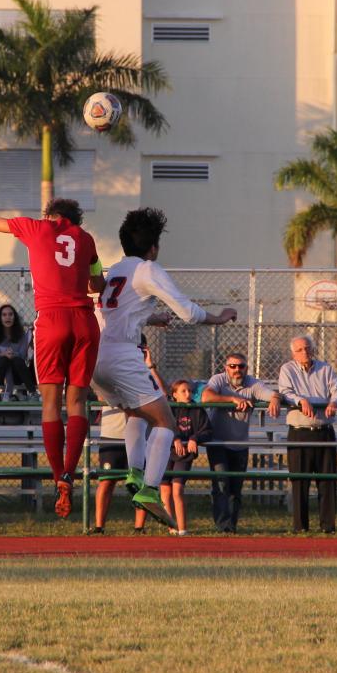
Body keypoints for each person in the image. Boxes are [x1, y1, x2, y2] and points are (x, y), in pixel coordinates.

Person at [92, 207, 236, 526]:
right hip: (122, 356)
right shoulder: (147, 269)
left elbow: (109, 311)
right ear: (153, 247)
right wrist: (219, 317)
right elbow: (187, 311)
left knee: (135, 413)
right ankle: (150, 489)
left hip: (96, 358)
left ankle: (135, 472)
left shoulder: (115, 270)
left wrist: (150, 317)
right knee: (166, 422)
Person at [0, 191, 104, 519]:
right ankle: (71, 472)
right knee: (77, 402)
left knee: (49, 403)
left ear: (50, 216)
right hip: (85, 322)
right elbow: (97, 284)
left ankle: (58, 475)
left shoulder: (36, 228)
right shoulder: (86, 240)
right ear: (75, 220)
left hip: (53, 320)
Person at [200, 351, 280, 533]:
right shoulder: (218, 379)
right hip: (218, 442)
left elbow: (272, 394)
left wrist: (275, 399)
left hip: (240, 444)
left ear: (246, 368)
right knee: (221, 484)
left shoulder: (253, 383)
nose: (237, 370)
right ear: (226, 368)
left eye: (241, 366)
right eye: (233, 366)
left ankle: (232, 526)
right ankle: (223, 526)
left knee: (235, 488)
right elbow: (206, 396)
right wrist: (233, 399)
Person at [278, 335, 337, 533]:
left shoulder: (325, 369)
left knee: (327, 481)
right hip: (300, 433)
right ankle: (300, 527)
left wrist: (334, 402)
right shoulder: (287, 370)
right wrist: (301, 400)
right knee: (300, 482)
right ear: (293, 353)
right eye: (299, 350)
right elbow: (285, 392)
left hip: (323, 431)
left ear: (313, 349)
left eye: (307, 348)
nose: (304, 352)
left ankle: (328, 527)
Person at [90, 406, 149, 534]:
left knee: (138, 482)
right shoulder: (109, 384)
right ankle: (99, 527)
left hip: (137, 433)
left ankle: (139, 528)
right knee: (106, 482)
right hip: (111, 434)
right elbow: (101, 394)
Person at [163, 380, 211, 536]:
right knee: (165, 490)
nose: (188, 394)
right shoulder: (169, 409)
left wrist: (194, 438)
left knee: (177, 489)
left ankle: (182, 529)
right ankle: (171, 527)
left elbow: (207, 430)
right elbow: (162, 426)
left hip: (184, 454)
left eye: (189, 391)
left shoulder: (197, 410)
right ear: (174, 395)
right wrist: (175, 438)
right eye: (183, 391)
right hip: (166, 452)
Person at [0, 303, 35, 400]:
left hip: (17, 372)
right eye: (4, 315)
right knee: (3, 360)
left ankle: (33, 393)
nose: (8, 317)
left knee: (17, 360)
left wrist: (12, 354)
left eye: (10, 314)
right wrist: (2, 354)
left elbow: (22, 355)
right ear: (0, 318)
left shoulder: (21, 335)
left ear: (14, 317)